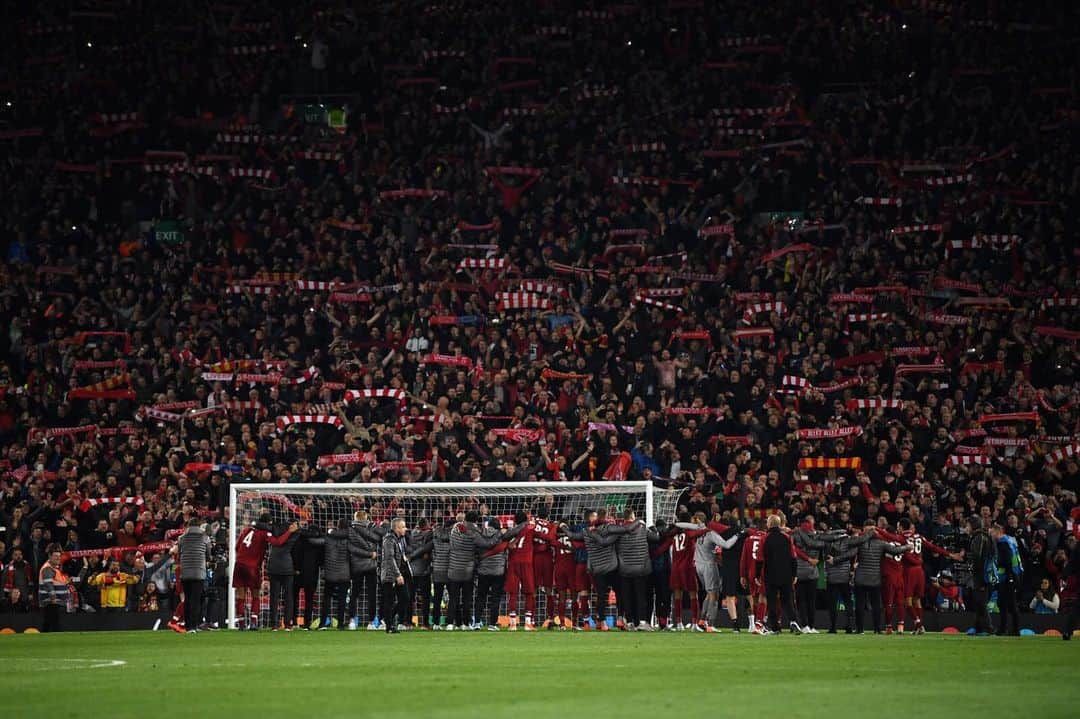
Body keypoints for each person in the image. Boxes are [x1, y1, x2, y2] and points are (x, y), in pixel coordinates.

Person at [879, 518, 960, 634]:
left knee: (908, 601)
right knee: (917, 600)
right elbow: (933, 547)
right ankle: (919, 626)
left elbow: (890, 536)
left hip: (909, 571)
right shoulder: (919, 537)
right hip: (920, 571)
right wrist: (950, 554)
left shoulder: (903, 538)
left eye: (898, 526)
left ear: (901, 527)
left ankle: (919, 624)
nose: (897, 528)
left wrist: (876, 529)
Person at [233, 513, 296, 630]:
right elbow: (278, 542)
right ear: (268, 523)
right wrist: (289, 532)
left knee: (241, 595)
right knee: (255, 595)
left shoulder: (246, 530)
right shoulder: (264, 533)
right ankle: (253, 622)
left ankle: (241, 624)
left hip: (239, 564)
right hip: (252, 567)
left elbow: (237, 547)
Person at [853, 521, 911, 634]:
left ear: (864, 529)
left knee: (860, 604)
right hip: (875, 579)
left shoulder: (859, 542)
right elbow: (895, 551)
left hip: (860, 578)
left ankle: (860, 629)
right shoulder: (881, 543)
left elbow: (851, 553)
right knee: (876, 605)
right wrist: (907, 547)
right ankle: (877, 629)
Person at [614, 509, 654, 631]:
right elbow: (655, 538)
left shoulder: (619, 531)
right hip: (640, 568)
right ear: (633, 516)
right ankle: (642, 622)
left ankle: (630, 622)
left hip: (624, 569)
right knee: (641, 596)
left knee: (627, 596)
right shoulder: (641, 528)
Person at [310, 519, 352, 630]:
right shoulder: (350, 539)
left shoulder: (328, 538)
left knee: (327, 599)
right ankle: (341, 624)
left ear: (338, 526)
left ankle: (322, 623)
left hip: (330, 573)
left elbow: (314, 542)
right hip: (344, 573)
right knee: (342, 599)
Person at [762, 515, 801, 634]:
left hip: (771, 574)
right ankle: (793, 622)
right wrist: (794, 575)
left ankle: (775, 628)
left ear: (769, 524)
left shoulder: (765, 538)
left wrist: (758, 575)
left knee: (772, 601)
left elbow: (760, 559)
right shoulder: (787, 537)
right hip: (786, 574)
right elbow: (793, 557)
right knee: (788, 600)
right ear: (779, 524)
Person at [347, 511, 382, 630]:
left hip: (357, 565)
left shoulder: (350, 529)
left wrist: (368, 553)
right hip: (371, 564)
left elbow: (352, 548)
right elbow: (377, 540)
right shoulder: (371, 528)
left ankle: (352, 620)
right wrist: (370, 554)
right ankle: (371, 622)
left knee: (355, 593)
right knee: (371, 594)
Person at [177, 519, 212, 633]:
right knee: (196, 600)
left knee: (188, 599)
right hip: (198, 571)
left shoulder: (181, 538)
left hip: (185, 571)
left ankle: (188, 626)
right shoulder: (205, 537)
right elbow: (208, 555)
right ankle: (194, 626)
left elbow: (179, 554)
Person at [964, 516, 996, 636]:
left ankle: (988, 628)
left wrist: (980, 578)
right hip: (983, 574)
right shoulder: (982, 536)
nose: (966, 528)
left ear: (973, 526)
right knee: (978, 601)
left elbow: (978, 558)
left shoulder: (978, 538)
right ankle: (978, 628)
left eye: (967, 525)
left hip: (981, 575)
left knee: (981, 602)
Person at [379, 519, 412, 634]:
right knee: (389, 600)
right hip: (390, 575)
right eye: (403, 527)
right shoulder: (389, 539)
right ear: (396, 528)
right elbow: (389, 558)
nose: (405, 529)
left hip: (398, 573)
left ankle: (388, 619)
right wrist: (397, 575)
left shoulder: (399, 539)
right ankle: (389, 626)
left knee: (405, 598)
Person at [266, 521, 300, 631]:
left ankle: (274, 624)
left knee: (274, 597)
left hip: (274, 567)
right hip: (287, 568)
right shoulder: (294, 536)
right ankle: (288, 624)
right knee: (288, 597)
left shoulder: (274, 537)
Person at [476, 518, 508, 631]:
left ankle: (477, 622)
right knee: (495, 599)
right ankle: (492, 624)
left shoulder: (480, 534)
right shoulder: (502, 535)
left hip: (483, 571)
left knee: (481, 597)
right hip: (498, 572)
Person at [992, 523, 1023, 636]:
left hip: (1008, 576)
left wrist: (996, 562)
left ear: (998, 531)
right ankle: (1006, 628)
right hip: (1012, 575)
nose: (991, 534)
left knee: (1009, 604)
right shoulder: (1010, 541)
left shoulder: (1002, 543)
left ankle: (1013, 629)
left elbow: (1006, 561)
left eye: (993, 532)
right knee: (1004, 603)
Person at [407, 520, 434, 629]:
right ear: (427, 525)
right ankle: (425, 623)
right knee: (425, 598)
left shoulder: (410, 535)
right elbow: (426, 548)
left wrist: (411, 556)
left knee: (410, 598)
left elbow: (407, 549)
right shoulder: (430, 535)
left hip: (412, 570)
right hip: (424, 571)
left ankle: (408, 622)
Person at [37, 544, 70, 632]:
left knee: (47, 625)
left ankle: (43, 642)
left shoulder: (54, 568)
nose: (58, 558)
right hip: (51, 602)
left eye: (59, 556)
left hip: (53, 603)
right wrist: (53, 598)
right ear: (49, 556)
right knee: (55, 626)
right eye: (55, 556)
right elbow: (48, 585)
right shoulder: (48, 568)